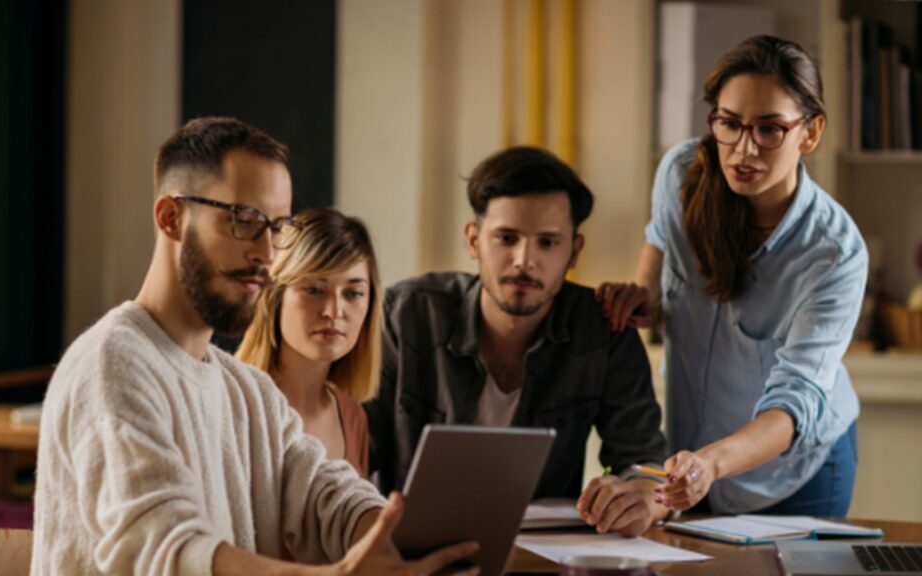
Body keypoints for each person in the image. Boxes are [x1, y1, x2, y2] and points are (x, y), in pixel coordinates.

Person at [31, 117, 478, 576]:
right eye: (243, 221)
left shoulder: (248, 391)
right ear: (171, 218)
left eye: (277, 226)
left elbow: (326, 490)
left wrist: (391, 538)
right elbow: (160, 548)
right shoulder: (113, 364)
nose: (267, 252)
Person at [597, 35, 866, 516]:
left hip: (796, 477)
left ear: (810, 132)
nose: (744, 149)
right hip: (692, 464)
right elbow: (654, 288)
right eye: (729, 123)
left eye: (769, 129)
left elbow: (794, 403)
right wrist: (636, 300)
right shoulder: (680, 174)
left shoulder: (835, 252)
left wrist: (711, 464)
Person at [366, 146, 670, 537]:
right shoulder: (405, 316)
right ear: (473, 240)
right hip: (408, 552)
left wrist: (641, 497)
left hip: (538, 554)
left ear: (574, 252)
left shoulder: (604, 332)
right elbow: (354, 453)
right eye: (507, 238)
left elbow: (644, 462)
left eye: (547, 242)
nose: (524, 260)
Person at [238, 208, 381, 479]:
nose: (334, 311)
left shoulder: (352, 415)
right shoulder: (236, 403)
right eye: (314, 290)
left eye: (353, 293)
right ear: (275, 297)